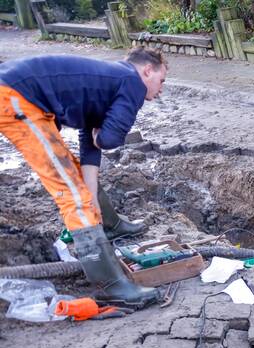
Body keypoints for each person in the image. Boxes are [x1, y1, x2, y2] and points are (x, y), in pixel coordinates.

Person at [0, 48, 168, 307]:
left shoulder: (108, 82)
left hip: (20, 94)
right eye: (161, 80)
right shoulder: (132, 84)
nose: (160, 89)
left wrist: (95, 201)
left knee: (75, 175)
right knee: (72, 193)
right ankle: (111, 285)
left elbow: (90, 144)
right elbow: (107, 139)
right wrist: (101, 135)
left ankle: (107, 224)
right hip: (16, 99)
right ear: (147, 71)